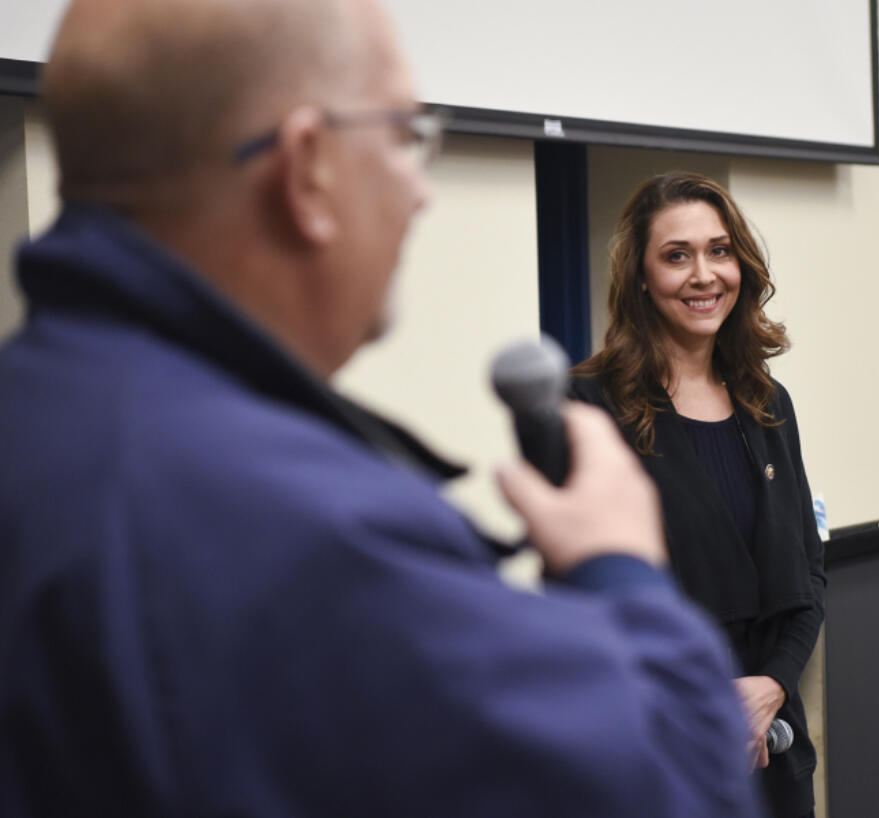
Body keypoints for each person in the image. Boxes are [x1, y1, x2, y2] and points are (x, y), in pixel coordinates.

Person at [0, 2, 765, 816]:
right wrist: (621, 567)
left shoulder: (35, 414)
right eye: (404, 137)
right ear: (306, 171)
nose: (420, 194)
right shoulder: (316, 534)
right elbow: (675, 788)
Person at [571, 171, 827, 818]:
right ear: (640, 278)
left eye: (719, 251)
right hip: (656, 742)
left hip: (771, 742)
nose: (704, 275)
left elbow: (806, 572)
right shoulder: (589, 405)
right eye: (676, 256)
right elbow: (588, 595)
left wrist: (771, 685)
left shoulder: (768, 404)